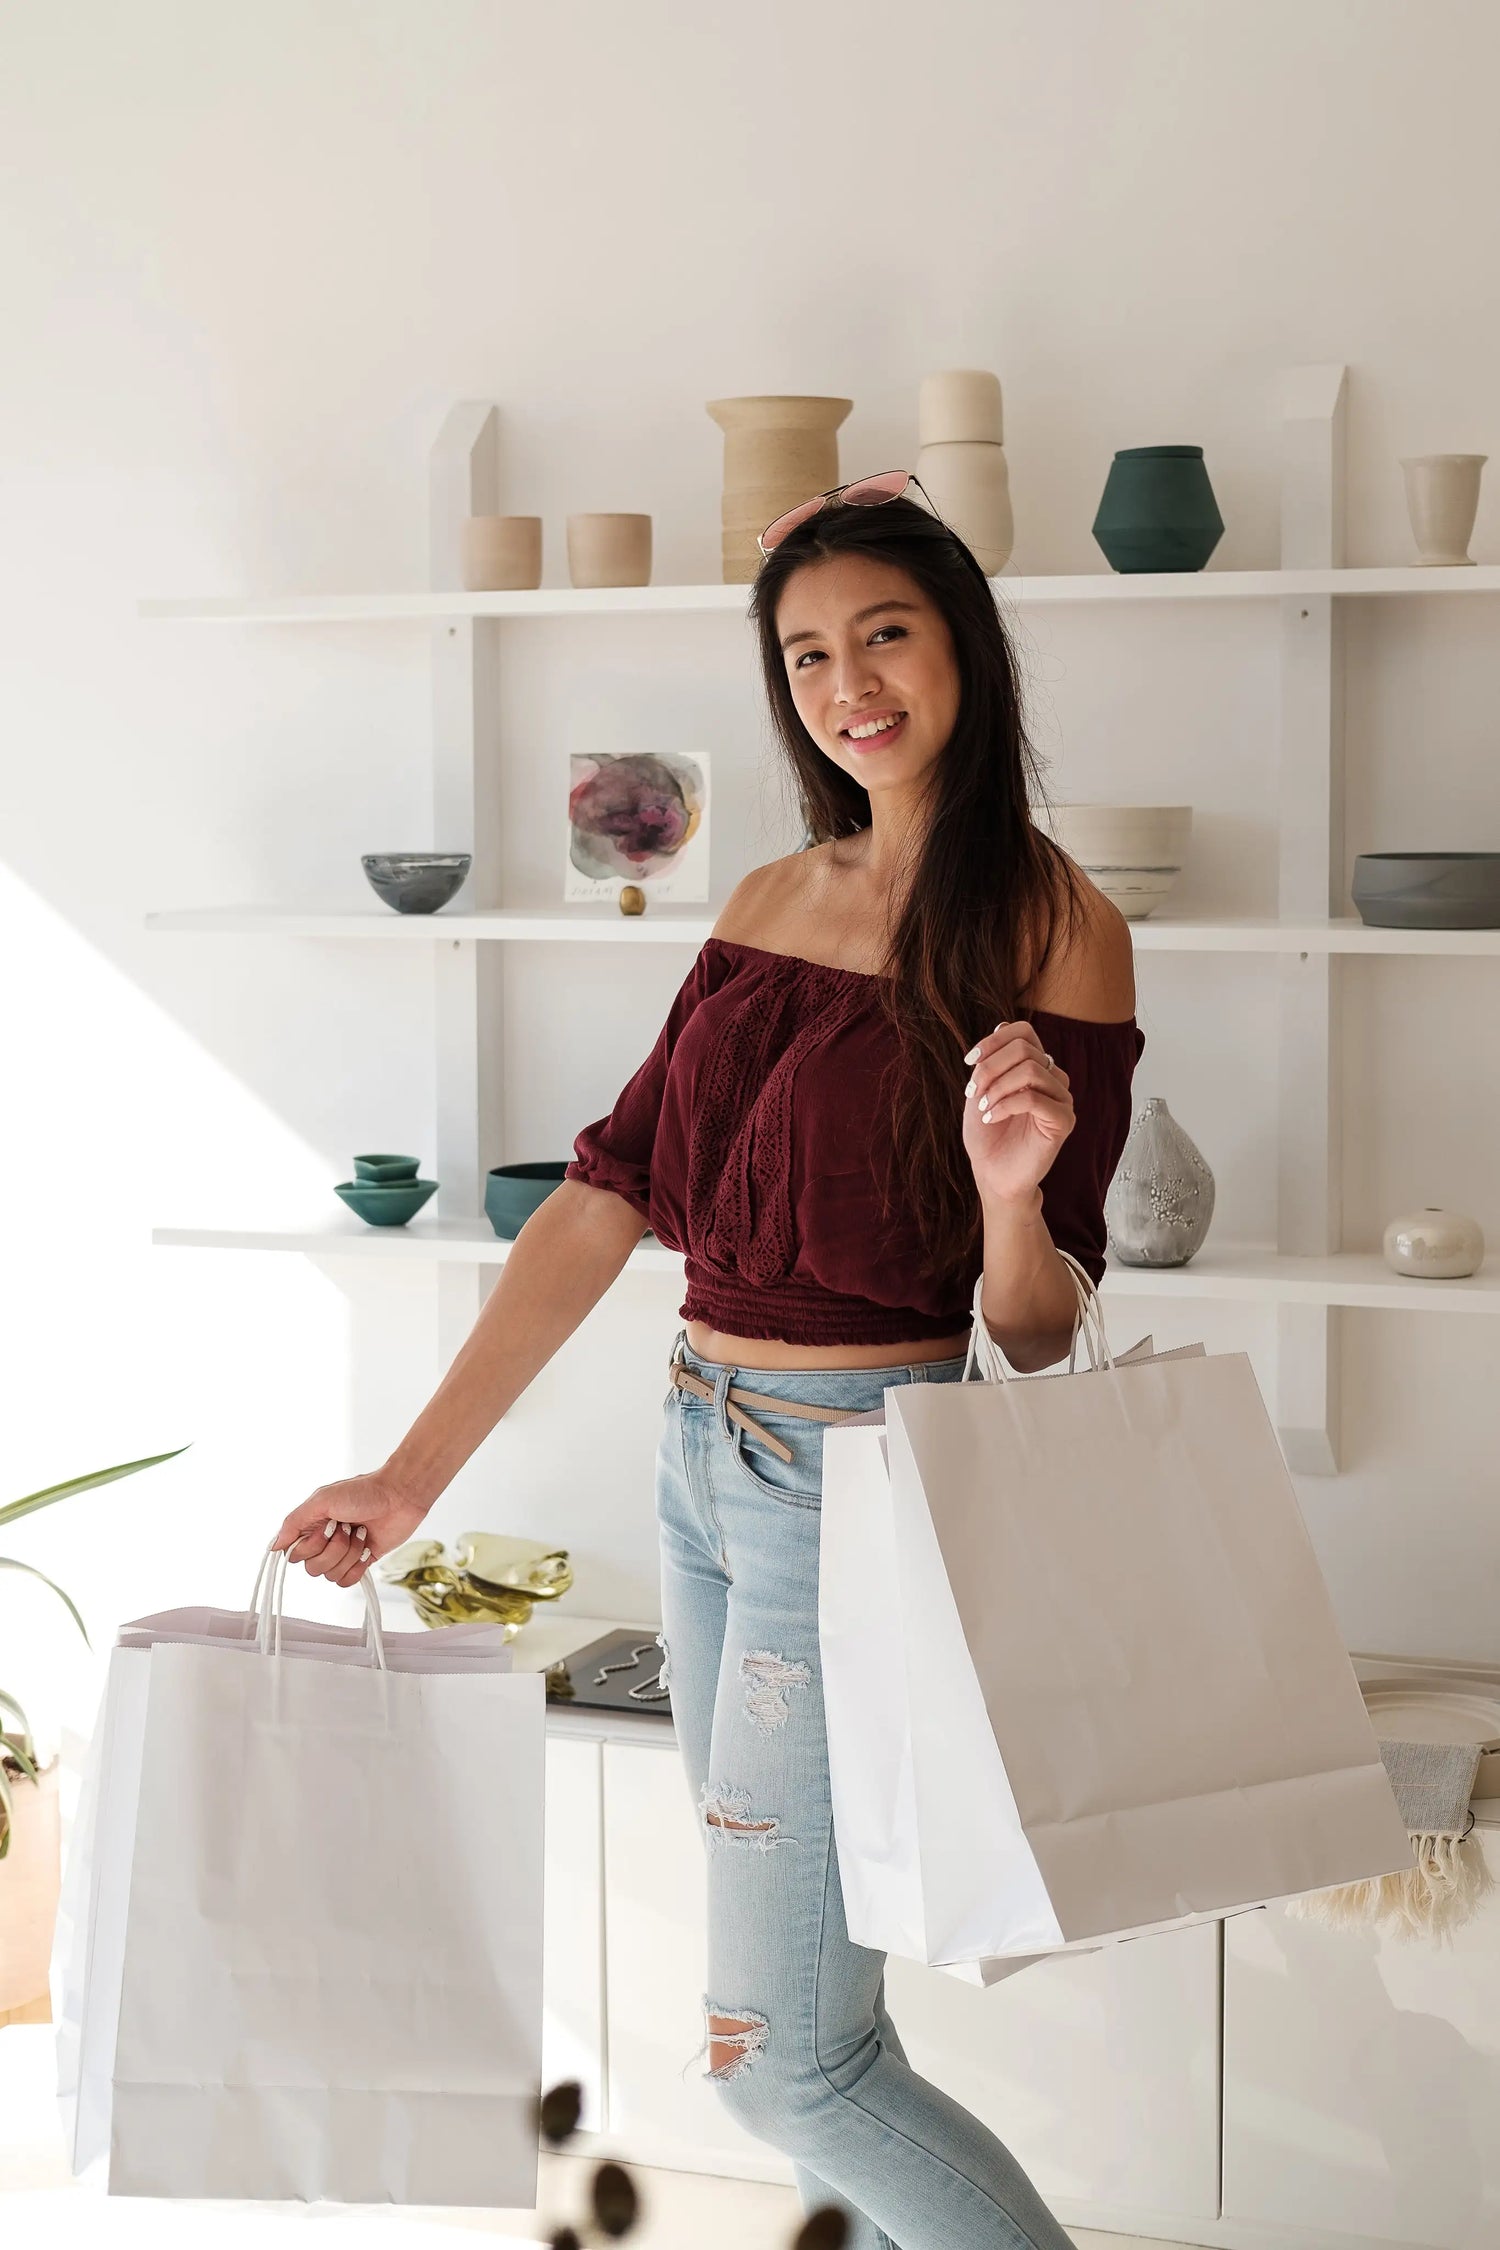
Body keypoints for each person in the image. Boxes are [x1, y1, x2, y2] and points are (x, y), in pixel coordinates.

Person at [272, 473, 1142, 2250]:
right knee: (819, 2023)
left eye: (884, 633)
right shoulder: (765, 890)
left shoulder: (1056, 926)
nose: (850, 684)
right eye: (809, 652)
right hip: (696, 1456)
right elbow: (610, 1195)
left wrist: (1010, 1189)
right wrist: (412, 1472)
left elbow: (1041, 1327)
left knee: (781, 2065)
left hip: (856, 1474)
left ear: (963, 642)